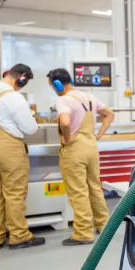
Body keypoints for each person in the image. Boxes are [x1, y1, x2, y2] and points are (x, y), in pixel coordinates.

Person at [0, 63, 45, 250]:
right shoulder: (14, 97)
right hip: (8, 149)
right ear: (21, 79)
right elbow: (30, 128)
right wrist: (31, 118)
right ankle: (19, 236)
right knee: (14, 194)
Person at [47, 68, 114, 246]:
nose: (53, 89)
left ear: (58, 84)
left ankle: (83, 232)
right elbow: (109, 114)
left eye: (52, 86)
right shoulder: (89, 97)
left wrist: (67, 139)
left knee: (78, 192)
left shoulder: (63, 100)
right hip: (91, 147)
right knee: (94, 187)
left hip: (74, 150)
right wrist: (98, 135)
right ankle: (104, 225)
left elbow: (65, 122)